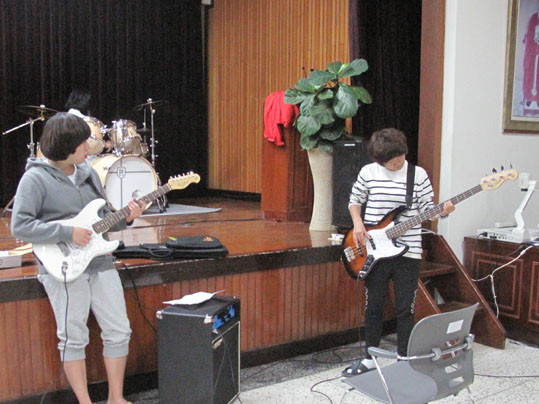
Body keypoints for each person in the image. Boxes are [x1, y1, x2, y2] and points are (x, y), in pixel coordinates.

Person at [11, 112, 145, 404]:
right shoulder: (34, 179)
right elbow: (20, 226)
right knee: (73, 337)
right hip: (62, 267)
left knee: (119, 330)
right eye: (83, 143)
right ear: (65, 146)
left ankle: (116, 398)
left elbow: (103, 219)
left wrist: (128, 217)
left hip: (100, 262)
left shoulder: (89, 173)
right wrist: (67, 233)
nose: (89, 147)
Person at [342, 128, 455, 377]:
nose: (398, 162)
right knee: (374, 305)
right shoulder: (369, 172)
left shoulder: (418, 174)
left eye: (401, 156)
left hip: (409, 251)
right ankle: (370, 358)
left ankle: (405, 358)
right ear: (380, 160)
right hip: (374, 250)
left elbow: (428, 208)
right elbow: (355, 200)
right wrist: (358, 224)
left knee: (406, 308)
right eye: (392, 161)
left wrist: (443, 212)